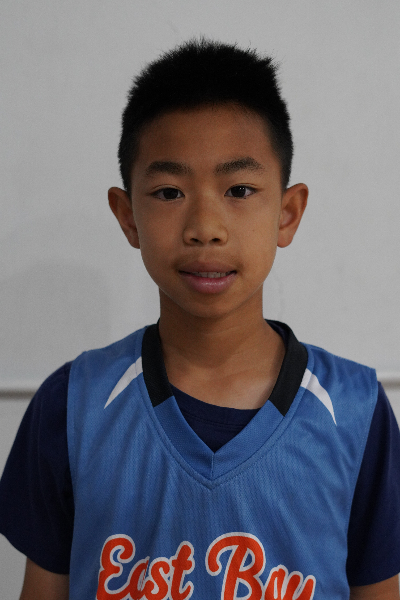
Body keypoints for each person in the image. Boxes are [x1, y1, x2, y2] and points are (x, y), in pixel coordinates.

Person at [0, 39, 399, 600]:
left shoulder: (355, 411)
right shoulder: (71, 407)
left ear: (287, 213)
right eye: (169, 192)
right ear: (127, 216)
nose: (205, 227)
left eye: (239, 190)